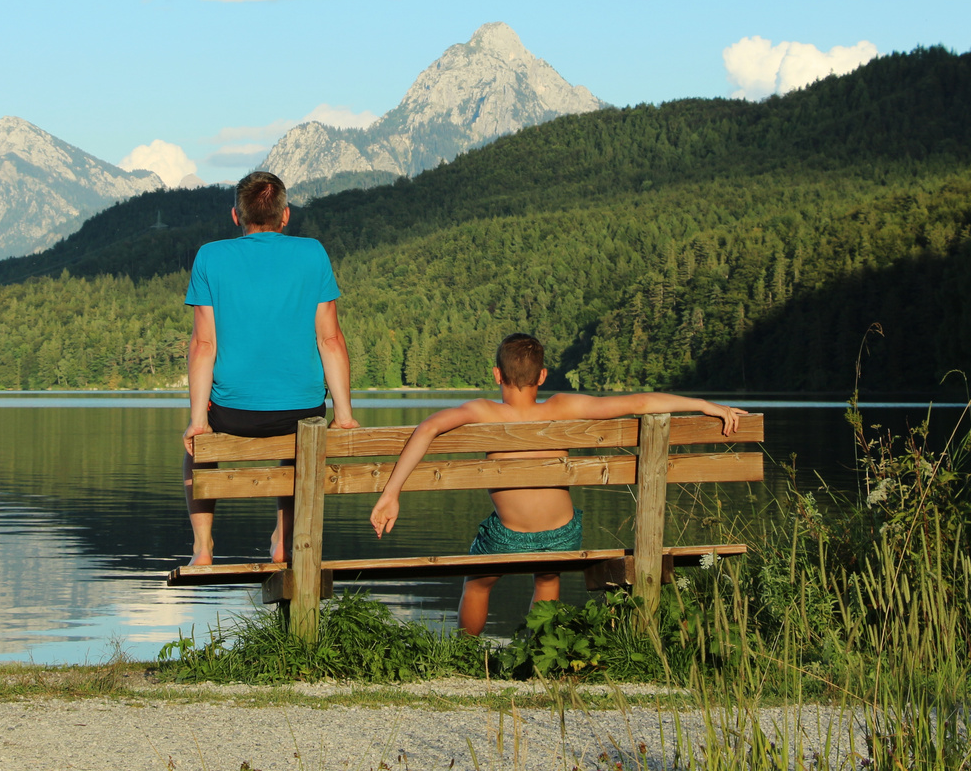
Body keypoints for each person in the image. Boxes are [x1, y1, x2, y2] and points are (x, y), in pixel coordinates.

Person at [368, 332, 745, 636]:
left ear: (497, 375)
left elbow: (428, 427)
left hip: (508, 537)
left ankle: (465, 654)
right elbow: (641, 402)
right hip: (563, 534)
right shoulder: (563, 406)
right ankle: (540, 650)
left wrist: (391, 492)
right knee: (547, 579)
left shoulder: (481, 412)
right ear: (543, 376)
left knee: (478, 582)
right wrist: (704, 404)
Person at [182, 171, 357, 566]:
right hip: (302, 413)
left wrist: (198, 421)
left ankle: (204, 548)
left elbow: (204, 345)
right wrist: (344, 416)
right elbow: (330, 340)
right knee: (297, 450)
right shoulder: (312, 253)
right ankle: (282, 539)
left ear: (236, 216)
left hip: (232, 413)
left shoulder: (210, 256)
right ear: (285, 215)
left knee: (198, 451)